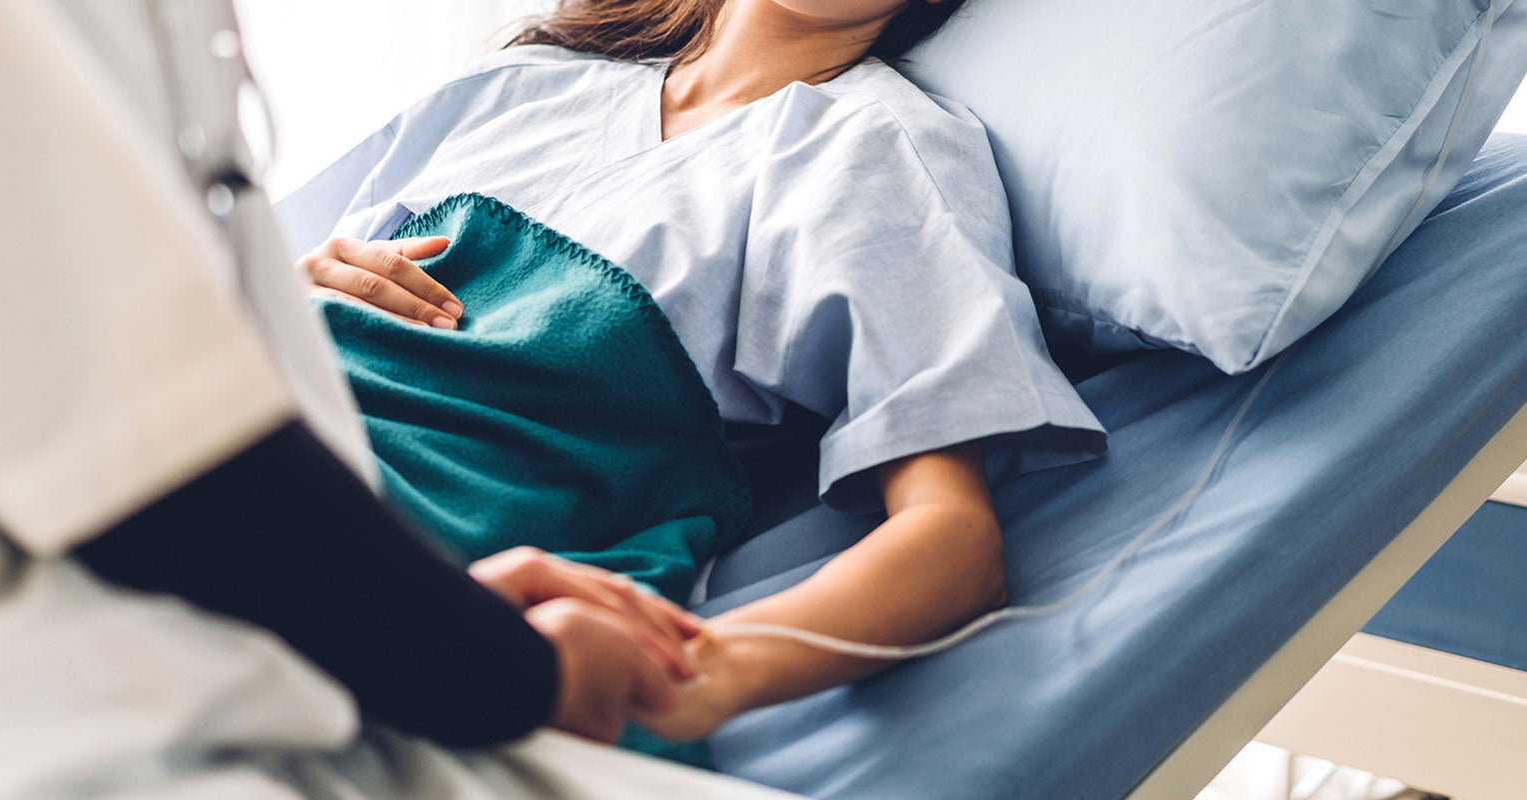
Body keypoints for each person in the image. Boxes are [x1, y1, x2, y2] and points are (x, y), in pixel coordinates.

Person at [0, 1, 802, 797]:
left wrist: (452, 606)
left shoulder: (860, 148)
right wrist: (517, 663)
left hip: (245, 611)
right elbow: (153, 460)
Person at [280, 0, 1108, 741]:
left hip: (403, 518)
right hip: (246, 425)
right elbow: (252, 295)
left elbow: (953, 541)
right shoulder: (519, 81)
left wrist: (691, 675)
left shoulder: (870, 147)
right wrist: (301, 287)